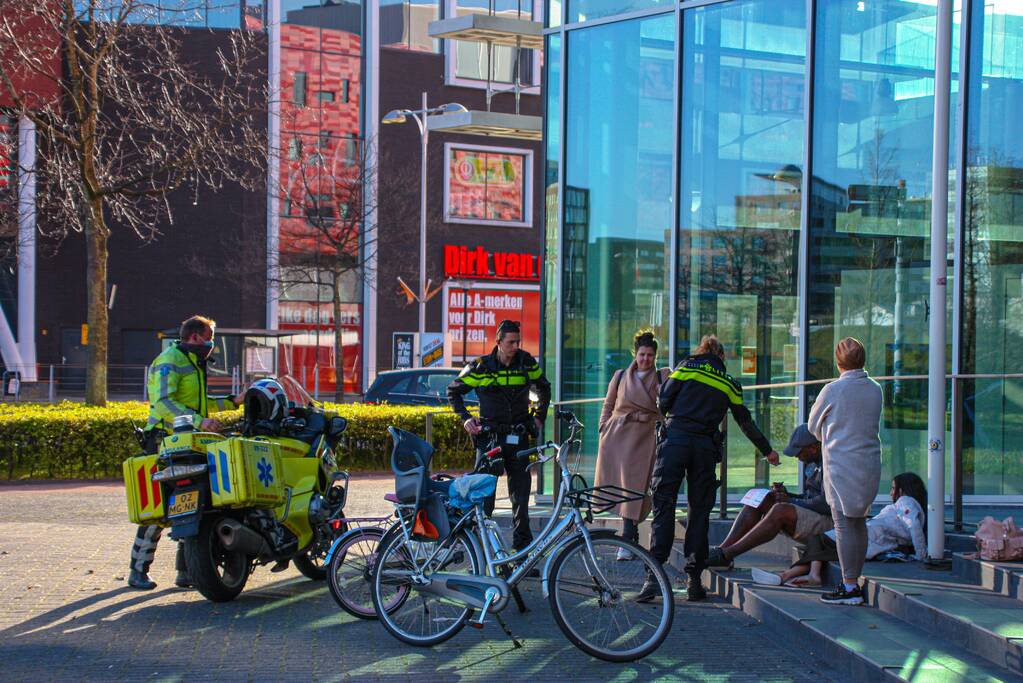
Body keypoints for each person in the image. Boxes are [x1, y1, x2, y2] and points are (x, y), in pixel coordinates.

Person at [637, 334, 779, 603]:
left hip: (675, 443)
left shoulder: (685, 368)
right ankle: (693, 581)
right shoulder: (729, 383)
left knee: (663, 507)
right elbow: (745, 422)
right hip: (704, 449)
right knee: (699, 513)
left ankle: (653, 578)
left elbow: (663, 400)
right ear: (721, 357)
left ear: (700, 351)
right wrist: (767, 450)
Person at [128, 316, 243, 590]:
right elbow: (164, 402)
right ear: (194, 337)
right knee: (161, 509)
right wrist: (199, 421)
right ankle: (138, 570)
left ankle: (188, 571)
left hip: (189, 441)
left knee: (193, 502)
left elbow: (199, 407)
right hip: (164, 440)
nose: (212, 344)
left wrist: (233, 402)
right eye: (209, 337)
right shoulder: (170, 360)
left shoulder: (194, 362)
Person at [447, 319, 551, 552]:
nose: (515, 346)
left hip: (518, 436)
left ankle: (522, 553)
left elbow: (544, 387)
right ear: (499, 342)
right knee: (485, 498)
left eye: (517, 341)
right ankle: (483, 552)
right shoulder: (481, 366)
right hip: (490, 439)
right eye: (511, 342)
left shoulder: (526, 362)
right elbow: (453, 391)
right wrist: (465, 418)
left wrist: (539, 416)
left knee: (521, 499)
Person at [751, 473, 927, 590]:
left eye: (893, 488)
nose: (891, 493)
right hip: (871, 538)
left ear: (902, 490)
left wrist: (922, 554)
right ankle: (785, 576)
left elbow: (913, 525)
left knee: (818, 539)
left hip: (870, 538)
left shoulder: (907, 501)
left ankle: (808, 576)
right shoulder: (906, 504)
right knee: (817, 546)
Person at [807, 337, 882, 606]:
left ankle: (850, 585)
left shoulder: (832, 390)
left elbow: (813, 427)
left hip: (841, 466)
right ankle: (854, 578)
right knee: (859, 521)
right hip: (869, 463)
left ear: (838, 362)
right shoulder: (875, 389)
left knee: (843, 525)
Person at [705, 423, 831, 568]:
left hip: (831, 524)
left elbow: (826, 504)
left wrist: (790, 500)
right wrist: (786, 494)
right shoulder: (812, 463)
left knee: (780, 510)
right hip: (816, 515)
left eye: (799, 452)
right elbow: (811, 497)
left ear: (813, 448)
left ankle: (728, 554)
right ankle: (722, 549)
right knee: (761, 500)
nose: (797, 457)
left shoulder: (831, 464)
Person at [593, 331, 670, 561]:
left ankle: (628, 538)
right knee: (621, 486)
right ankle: (629, 537)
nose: (646, 359)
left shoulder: (663, 376)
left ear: (656, 356)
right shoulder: (620, 376)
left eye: (650, 355)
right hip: (617, 435)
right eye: (642, 354)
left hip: (646, 436)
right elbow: (608, 404)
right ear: (635, 354)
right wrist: (603, 428)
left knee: (637, 486)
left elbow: (670, 404)